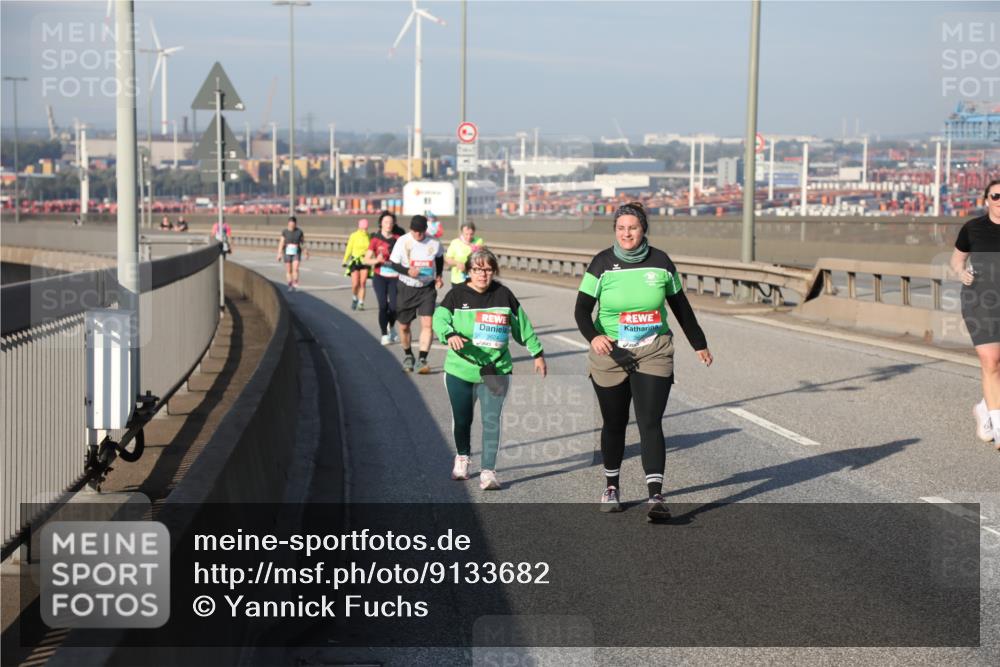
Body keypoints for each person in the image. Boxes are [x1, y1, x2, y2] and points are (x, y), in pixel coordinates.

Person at [575, 201, 713, 521]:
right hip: (611, 353)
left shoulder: (661, 262)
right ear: (615, 231)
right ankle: (612, 486)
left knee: (650, 421)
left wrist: (699, 343)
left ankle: (655, 496)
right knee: (615, 422)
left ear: (643, 230)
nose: (627, 234)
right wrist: (594, 336)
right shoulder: (602, 264)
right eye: (621, 228)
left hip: (654, 350)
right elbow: (581, 310)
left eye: (633, 228)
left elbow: (680, 306)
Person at [433, 248, 546, 489]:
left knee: (491, 420)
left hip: (496, 369)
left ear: (494, 271)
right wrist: (449, 334)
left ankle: (488, 471)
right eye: (477, 269)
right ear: (469, 271)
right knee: (462, 419)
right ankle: (462, 457)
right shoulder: (456, 295)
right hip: (460, 369)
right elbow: (439, 319)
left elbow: (523, 327)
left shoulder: (503, 295)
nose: (482, 274)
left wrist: (537, 353)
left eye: (487, 269)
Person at [951, 178, 1000, 450]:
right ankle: (999, 427)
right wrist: (962, 273)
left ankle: (984, 407)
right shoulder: (973, 228)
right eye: (996, 196)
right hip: (980, 300)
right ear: (986, 200)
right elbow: (957, 260)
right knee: (991, 361)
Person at [387, 215, 443, 373]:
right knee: (404, 326)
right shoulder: (403, 241)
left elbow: (439, 258)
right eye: (415, 231)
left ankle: (422, 360)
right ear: (411, 229)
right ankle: (408, 355)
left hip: (427, 288)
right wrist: (407, 271)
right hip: (407, 287)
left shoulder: (434, 242)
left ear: (426, 230)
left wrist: (439, 276)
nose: (418, 234)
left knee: (427, 324)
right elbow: (393, 264)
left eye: (421, 231)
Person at [364, 211, 402, 345]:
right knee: (383, 305)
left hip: (395, 277)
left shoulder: (399, 239)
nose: (388, 225)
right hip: (380, 277)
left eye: (391, 222)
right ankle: (384, 334)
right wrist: (377, 260)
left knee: (394, 307)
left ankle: (391, 326)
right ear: (381, 223)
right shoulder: (375, 239)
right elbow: (366, 259)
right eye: (386, 222)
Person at [444, 221, 485, 287]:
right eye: (466, 234)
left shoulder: (479, 241)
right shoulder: (455, 242)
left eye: (471, 234)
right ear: (462, 233)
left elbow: (482, 256)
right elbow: (448, 259)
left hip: (473, 279)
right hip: (458, 279)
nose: (469, 237)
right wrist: (457, 263)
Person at [343, 218, 371, 310]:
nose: (365, 230)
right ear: (359, 227)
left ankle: (361, 303)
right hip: (355, 261)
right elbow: (349, 248)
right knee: (355, 284)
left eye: (366, 228)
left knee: (363, 282)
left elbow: (371, 249)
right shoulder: (354, 236)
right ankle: (355, 297)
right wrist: (345, 260)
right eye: (363, 228)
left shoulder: (369, 236)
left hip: (365, 262)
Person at [277, 215, 308, 291]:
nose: (291, 225)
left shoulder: (299, 232)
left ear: (295, 224)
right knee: (289, 270)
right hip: (287, 252)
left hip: (296, 252)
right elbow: (281, 243)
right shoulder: (285, 232)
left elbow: (302, 243)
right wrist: (279, 254)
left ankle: (295, 283)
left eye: (293, 224)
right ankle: (290, 284)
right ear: (288, 223)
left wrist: (306, 252)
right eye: (290, 224)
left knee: (295, 268)